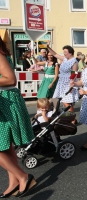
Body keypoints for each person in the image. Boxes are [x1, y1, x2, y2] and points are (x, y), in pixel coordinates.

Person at [0, 37, 36, 198]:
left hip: (6, 101)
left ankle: (23, 177)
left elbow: (10, 78)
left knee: (3, 145)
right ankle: (14, 182)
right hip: (6, 100)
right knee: (5, 145)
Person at [46, 42, 79, 123]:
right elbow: (55, 54)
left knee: (67, 102)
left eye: (65, 52)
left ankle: (73, 119)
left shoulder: (74, 61)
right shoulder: (65, 59)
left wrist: (71, 85)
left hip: (68, 83)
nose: (64, 54)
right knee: (60, 101)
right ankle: (71, 118)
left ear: (70, 53)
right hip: (62, 82)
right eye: (64, 52)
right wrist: (48, 47)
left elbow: (74, 74)